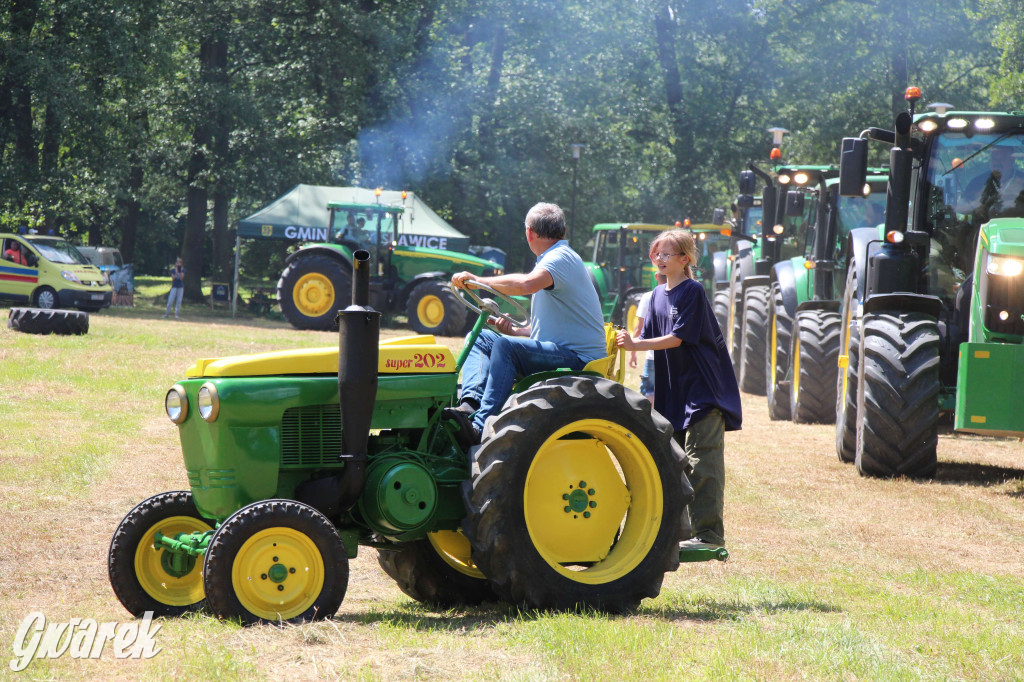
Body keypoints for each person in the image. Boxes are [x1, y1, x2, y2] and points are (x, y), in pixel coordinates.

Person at [615, 229, 742, 551]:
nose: (658, 259)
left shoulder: (692, 292)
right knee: (672, 463)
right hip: (673, 394)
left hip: (703, 391)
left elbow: (678, 338)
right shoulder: (657, 295)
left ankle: (710, 535)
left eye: (666, 254)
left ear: (685, 259)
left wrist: (637, 343)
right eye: (655, 253)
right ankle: (676, 532)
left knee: (703, 464)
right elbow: (654, 344)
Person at [448, 202, 607, 444]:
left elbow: (526, 285)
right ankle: (471, 404)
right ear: (563, 231)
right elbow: (561, 322)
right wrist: (518, 330)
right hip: (561, 350)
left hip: (578, 359)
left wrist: (477, 279)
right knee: (479, 338)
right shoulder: (557, 259)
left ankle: (480, 426)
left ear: (529, 233)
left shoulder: (560, 258)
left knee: (505, 347)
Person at [629, 273, 668, 404]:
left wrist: (633, 353)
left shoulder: (647, 297)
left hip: (652, 356)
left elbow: (638, 328)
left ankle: (651, 422)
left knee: (648, 391)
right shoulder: (678, 296)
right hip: (672, 356)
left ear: (656, 276)